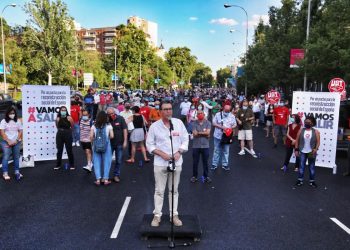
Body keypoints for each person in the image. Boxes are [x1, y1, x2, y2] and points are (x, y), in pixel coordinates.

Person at [146, 101, 189, 227]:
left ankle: (173, 215)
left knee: (174, 190)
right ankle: (157, 215)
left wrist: (179, 152)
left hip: (176, 162)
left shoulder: (178, 123)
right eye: (165, 109)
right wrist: (161, 154)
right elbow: (149, 144)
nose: (168, 111)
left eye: (170, 109)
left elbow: (185, 139)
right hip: (160, 163)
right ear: (160, 111)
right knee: (159, 191)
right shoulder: (154, 126)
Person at [294, 116, 320, 187]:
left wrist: (316, 149)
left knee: (311, 167)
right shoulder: (301, 130)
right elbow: (297, 141)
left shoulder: (316, 131)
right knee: (301, 166)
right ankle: (300, 180)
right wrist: (296, 150)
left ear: (312, 123)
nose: (306, 123)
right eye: (305, 122)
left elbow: (318, 142)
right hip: (302, 151)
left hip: (311, 152)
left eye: (308, 122)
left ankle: (312, 181)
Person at [90, 111, 114, 186]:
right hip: (107, 146)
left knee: (96, 162)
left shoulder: (94, 126)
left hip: (96, 146)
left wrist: (94, 142)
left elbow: (91, 137)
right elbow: (112, 136)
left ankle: (98, 180)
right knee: (107, 162)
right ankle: (106, 179)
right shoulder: (109, 126)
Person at [212, 104, 237, 170]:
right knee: (216, 150)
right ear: (223, 109)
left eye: (228, 111)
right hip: (218, 135)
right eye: (226, 110)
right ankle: (214, 164)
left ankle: (225, 164)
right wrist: (222, 127)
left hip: (227, 136)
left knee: (226, 151)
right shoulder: (218, 114)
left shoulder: (232, 116)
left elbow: (235, 124)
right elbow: (214, 123)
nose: (227, 112)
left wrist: (229, 128)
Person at [0, 107, 23, 180]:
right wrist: (8, 141)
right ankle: (5, 173)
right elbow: (2, 132)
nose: (12, 114)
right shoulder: (3, 121)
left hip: (16, 141)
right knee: (6, 156)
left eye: (13, 113)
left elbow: (20, 131)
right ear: (7, 114)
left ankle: (17, 172)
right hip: (6, 142)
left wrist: (16, 140)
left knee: (16, 157)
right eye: (10, 113)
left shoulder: (18, 121)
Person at [107, 107, 128, 183]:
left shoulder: (120, 118)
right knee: (108, 160)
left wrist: (125, 141)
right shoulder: (106, 120)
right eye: (109, 114)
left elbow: (125, 130)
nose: (111, 115)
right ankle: (107, 176)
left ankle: (116, 175)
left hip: (119, 143)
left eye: (112, 113)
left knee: (118, 161)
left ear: (114, 112)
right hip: (109, 144)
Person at [191, 110, 212, 183]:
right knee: (195, 162)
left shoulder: (208, 123)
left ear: (204, 114)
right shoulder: (194, 123)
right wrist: (205, 134)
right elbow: (194, 134)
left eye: (201, 113)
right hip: (196, 146)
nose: (200, 115)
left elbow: (208, 133)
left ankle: (206, 176)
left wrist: (199, 133)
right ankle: (194, 176)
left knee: (205, 162)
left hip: (205, 146)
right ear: (196, 115)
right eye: (198, 114)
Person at [54, 106, 75, 170]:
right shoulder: (57, 118)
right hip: (59, 134)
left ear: (66, 111)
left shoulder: (69, 117)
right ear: (60, 111)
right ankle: (58, 165)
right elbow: (57, 126)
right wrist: (61, 130)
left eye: (64, 110)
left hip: (68, 133)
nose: (63, 111)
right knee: (59, 150)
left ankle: (72, 165)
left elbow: (72, 125)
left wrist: (67, 131)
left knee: (69, 150)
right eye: (62, 110)